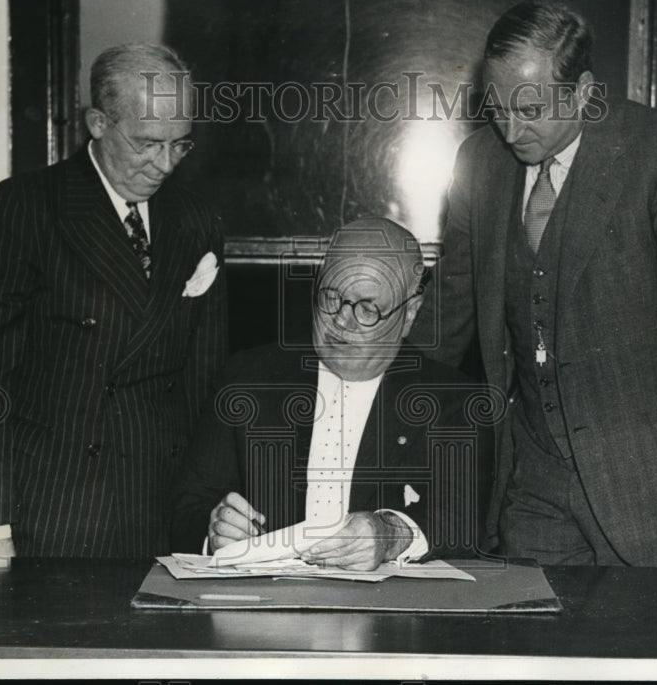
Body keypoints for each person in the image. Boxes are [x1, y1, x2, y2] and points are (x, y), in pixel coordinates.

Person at [408, 0, 657, 572]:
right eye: (497, 108)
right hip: (531, 487)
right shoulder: (479, 163)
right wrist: (365, 423)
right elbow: (445, 319)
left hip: (652, 490)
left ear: (583, 91)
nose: (511, 130)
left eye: (530, 109)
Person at [0, 43, 228, 558]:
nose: (163, 165)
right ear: (97, 122)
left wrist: (201, 510)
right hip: (48, 511)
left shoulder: (197, 221)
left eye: (179, 145)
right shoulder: (23, 209)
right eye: (146, 143)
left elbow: (202, 383)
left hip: (159, 511)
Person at [169, 218, 494, 569]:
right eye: (331, 297)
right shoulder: (249, 379)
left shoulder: (452, 401)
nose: (342, 320)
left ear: (409, 315)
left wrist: (390, 534)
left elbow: (461, 524)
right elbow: (188, 507)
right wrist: (215, 531)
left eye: (367, 309)